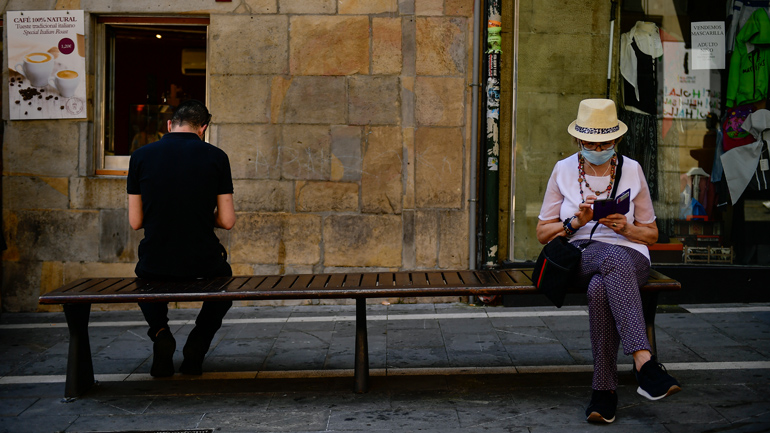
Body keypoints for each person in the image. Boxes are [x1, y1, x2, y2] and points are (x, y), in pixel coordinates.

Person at [536, 99, 681, 423]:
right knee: (608, 260)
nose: (597, 148)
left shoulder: (632, 169)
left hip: (630, 255)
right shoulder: (563, 170)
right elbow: (543, 233)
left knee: (602, 288)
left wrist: (626, 227)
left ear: (616, 140)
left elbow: (652, 234)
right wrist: (575, 221)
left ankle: (604, 392)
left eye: (604, 142)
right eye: (590, 143)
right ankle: (645, 363)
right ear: (579, 141)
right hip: (581, 256)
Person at [127, 99, 236, 377]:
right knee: (224, 287)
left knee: (145, 282)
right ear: (203, 128)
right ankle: (197, 343)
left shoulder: (140, 157)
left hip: (156, 262)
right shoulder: (216, 156)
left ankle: (161, 333)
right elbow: (226, 220)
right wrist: (199, 213)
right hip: (204, 264)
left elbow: (136, 221)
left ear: (169, 125)